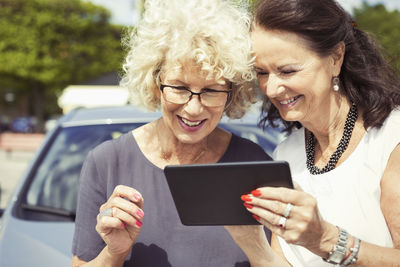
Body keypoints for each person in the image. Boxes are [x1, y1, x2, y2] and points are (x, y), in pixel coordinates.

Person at [71, 0, 273, 266]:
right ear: (156, 84)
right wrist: (114, 253)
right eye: (179, 87)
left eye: (211, 90)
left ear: (231, 93)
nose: (193, 107)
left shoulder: (254, 163)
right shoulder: (106, 161)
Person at [227, 0, 400, 266]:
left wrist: (326, 240)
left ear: (335, 59)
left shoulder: (391, 139)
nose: (271, 89)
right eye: (262, 72)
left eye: (288, 71)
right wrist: (249, 239)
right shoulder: (286, 153)